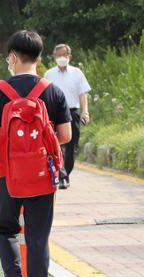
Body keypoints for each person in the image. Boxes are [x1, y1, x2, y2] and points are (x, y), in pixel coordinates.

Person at [0, 30, 71, 277]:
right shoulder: (52, 90)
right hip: (42, 177)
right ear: (41, 58)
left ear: (13, 57)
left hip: (7, 175)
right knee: (37, 237)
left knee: (5, 229)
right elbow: (66, 135)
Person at [44, 44, 91, 189]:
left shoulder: (77, 73)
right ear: (54, 57)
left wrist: (85, 111)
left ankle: (65, 174)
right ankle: (61, 175)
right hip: (53, 113)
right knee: (55, 144)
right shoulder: (48, 74)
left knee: (71, 147)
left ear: (69, 57)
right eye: (57, 56)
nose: (61, 58)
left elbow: (83, 93)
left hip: (72, 112)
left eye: (63, 55)